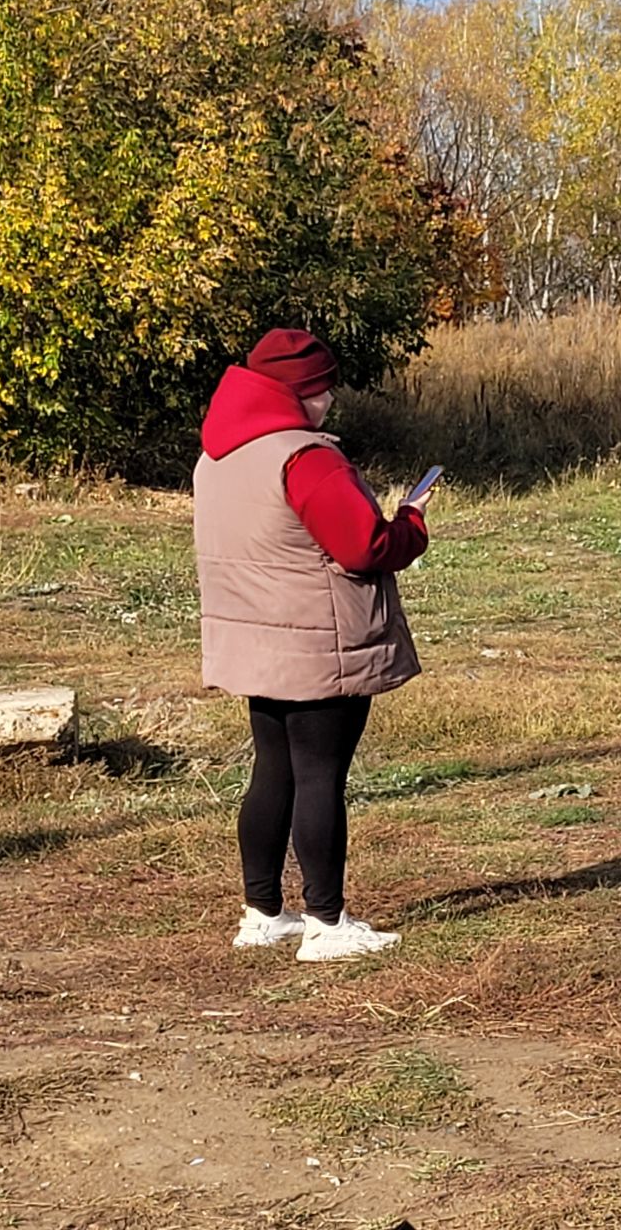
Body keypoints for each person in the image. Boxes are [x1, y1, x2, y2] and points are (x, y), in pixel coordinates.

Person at [193, 328, 434, 962]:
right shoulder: (306, 457)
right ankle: (328, 924)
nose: (330, 400)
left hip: (255, 637)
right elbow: (365, 547)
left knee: (273, 770)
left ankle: (263, 912)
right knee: (322, 775)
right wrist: (410, 520)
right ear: (300, 392)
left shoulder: (217, 455)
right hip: (320, 642)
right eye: (323, 388)